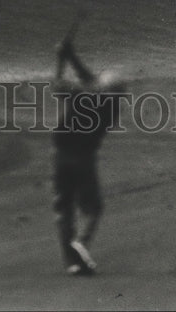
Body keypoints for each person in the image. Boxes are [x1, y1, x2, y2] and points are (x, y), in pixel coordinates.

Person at [52, 33, 125, 276]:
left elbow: (59, 83)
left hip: (61, 158)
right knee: (94, 209)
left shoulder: (80, 96)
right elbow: (90, 79)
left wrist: (62, 58)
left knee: (65, 211)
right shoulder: (111, 107)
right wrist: (69, 54)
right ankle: (82, 242)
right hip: (83, 160)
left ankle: (73, 263)